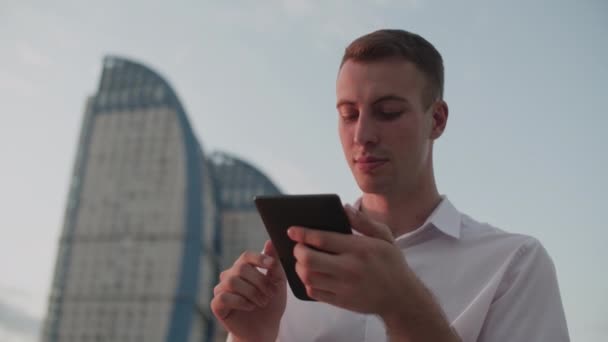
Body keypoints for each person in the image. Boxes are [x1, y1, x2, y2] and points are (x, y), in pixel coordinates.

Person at [210, 29, 570, 342]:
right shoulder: (295, 271)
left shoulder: (513, 264)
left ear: (438, 120)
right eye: (348, 114)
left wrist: (402, 304)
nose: (362, 135)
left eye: (388, 112)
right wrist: (250, 338)